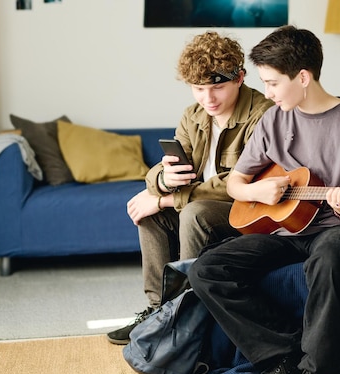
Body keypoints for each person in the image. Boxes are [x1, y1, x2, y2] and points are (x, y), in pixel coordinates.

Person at [187, 26, 340, 374]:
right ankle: (285, 355)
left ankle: (317, 373)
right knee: (207, 270)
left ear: (304, 78)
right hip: (286, 228)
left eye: (273, 83)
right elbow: (236, 185)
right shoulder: (275, 120)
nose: (269, 93)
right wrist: (256, 191)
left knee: (330, 254)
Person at [106, 31, 273, 345]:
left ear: (239, 78)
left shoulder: (262, 115)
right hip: (198, 205)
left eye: (218, 87)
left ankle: (187, 313)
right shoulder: (192, 115)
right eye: (199, 89)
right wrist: (163, 182)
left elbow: (240, 182)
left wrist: (168, 200)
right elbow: (161, 167)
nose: (208, 99)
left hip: (247, 211)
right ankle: (158, 311)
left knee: (192, 213)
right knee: (149, 213)